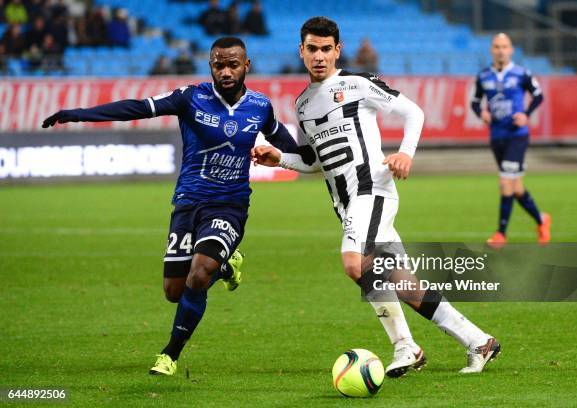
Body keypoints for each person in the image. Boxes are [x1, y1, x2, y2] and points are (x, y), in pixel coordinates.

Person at [252, 17, 500, 375]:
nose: (319, 56)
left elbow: (413, 111)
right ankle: (478, 341)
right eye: (312, 49)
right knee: (403, 283)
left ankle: (405, 346)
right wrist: (280, 159)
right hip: (348, 204)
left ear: (337, 50)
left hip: (372, 189)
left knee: (354, 263)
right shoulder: (303, 104)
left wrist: (405, 153)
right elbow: (315, 161)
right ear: (301, 51)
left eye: (326, 49)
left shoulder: (357, 84)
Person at [41, 37, 298, 376]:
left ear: (246, 66)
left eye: (232, 64)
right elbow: (136, 107)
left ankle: (170, 355)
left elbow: (284, 141)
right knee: (174, 292)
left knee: (200, 271)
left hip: (230, 205)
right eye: (219, 64)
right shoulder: (190, 97)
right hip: (189, 203)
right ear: (210, 66)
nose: (225, 71)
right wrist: (78, 114)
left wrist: (310, 159)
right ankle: (226, 266)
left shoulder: (260, 106)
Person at [471, 33, 550, 248]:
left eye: (504, 46)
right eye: (497, 46)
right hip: (497, 136)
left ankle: (500, 234)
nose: (501, 50)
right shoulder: (483, 76)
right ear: (491, 50)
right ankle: (542, 220)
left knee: (505, 182)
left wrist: (526, 114)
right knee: (516, 188)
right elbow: (475, 102)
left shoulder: (522, 73)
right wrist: (481, 113)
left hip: (517, 135)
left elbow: (539, 95)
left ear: (511, 49)